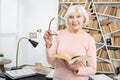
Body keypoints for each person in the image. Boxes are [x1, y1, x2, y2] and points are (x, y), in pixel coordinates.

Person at [43, 5, 96, 80]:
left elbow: (93, 69)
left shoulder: (89, 39)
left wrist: (77, 69)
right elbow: (50, 61)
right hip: (59, 78)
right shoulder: (59, 34)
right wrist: (48, 44)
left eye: (78, 16)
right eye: (71, 17)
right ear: (67, 19)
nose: (74, 20)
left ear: (84, 19)